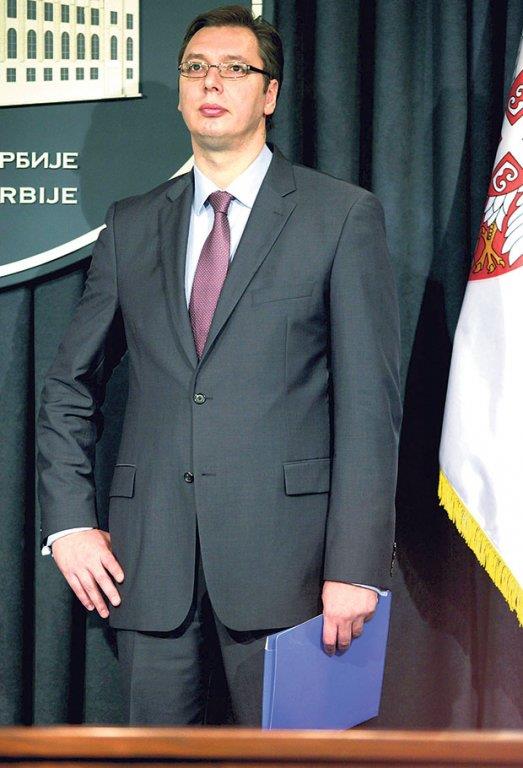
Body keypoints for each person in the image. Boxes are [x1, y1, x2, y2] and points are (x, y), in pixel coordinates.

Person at [36, 5, 402, 727]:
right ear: (179, 92)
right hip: (148, 571)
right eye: (196, 68)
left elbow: (369, 406)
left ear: (269, 94)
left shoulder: (339, 216)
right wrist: (69, 523)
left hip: (296, 576)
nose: (212, 82)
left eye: (235, 69)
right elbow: (69, 386)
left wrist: (355, 565)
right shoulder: (132, 223)